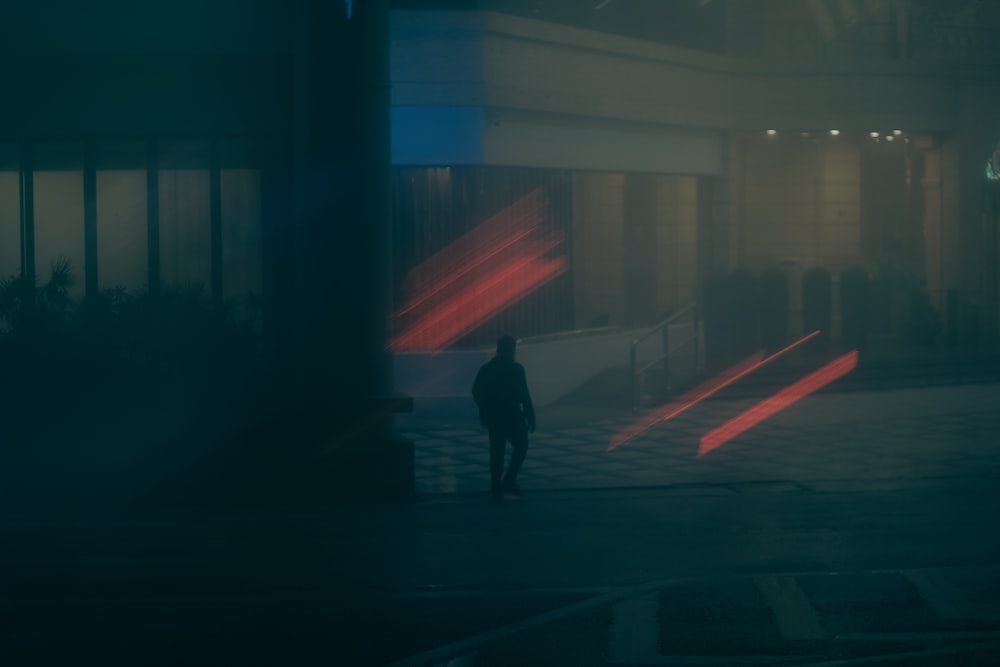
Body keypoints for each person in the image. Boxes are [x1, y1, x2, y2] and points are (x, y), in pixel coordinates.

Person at [472, 335, 536, 502]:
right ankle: (509, 480)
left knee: (497, 452)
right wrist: (530, 415)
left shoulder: (487, 369)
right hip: (513, 415)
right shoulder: (516, 369)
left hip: (495, 416)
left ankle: (496, 487)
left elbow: (477, 391)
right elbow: (524, 395)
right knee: (521, 447)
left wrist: (485, 410)